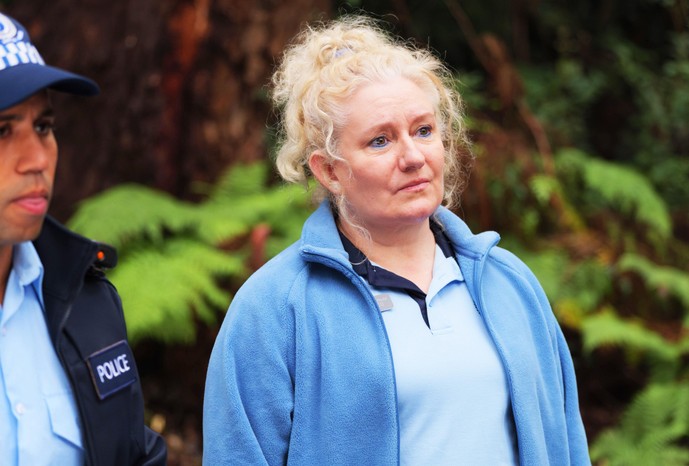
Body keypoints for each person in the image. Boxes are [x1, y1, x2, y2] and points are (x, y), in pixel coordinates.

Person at [203, 15, 590, 466]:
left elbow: (567, 443)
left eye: (424, 131)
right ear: (328, 170)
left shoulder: (510, 283)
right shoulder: (274, 308)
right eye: (380, 141)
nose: (412, 157)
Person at [0, 12, 166, 465]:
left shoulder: (85, 298)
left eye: (43, 127)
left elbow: (134, 454)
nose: (36, 158)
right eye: (3, 131)